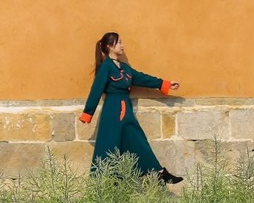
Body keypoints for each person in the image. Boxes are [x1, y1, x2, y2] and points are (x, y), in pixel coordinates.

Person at [79, 32, 184, 184]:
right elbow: (96, 89)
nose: (122, 46)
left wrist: (165, 83)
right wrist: (88, 113)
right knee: (109, 144)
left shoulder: (125, 68)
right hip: (112, 111)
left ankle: (159, 172)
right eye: (119, 42)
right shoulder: (106, 67)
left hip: (125, 110)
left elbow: (142, 78)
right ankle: (103, 182)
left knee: (138, 140)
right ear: (109, 46)